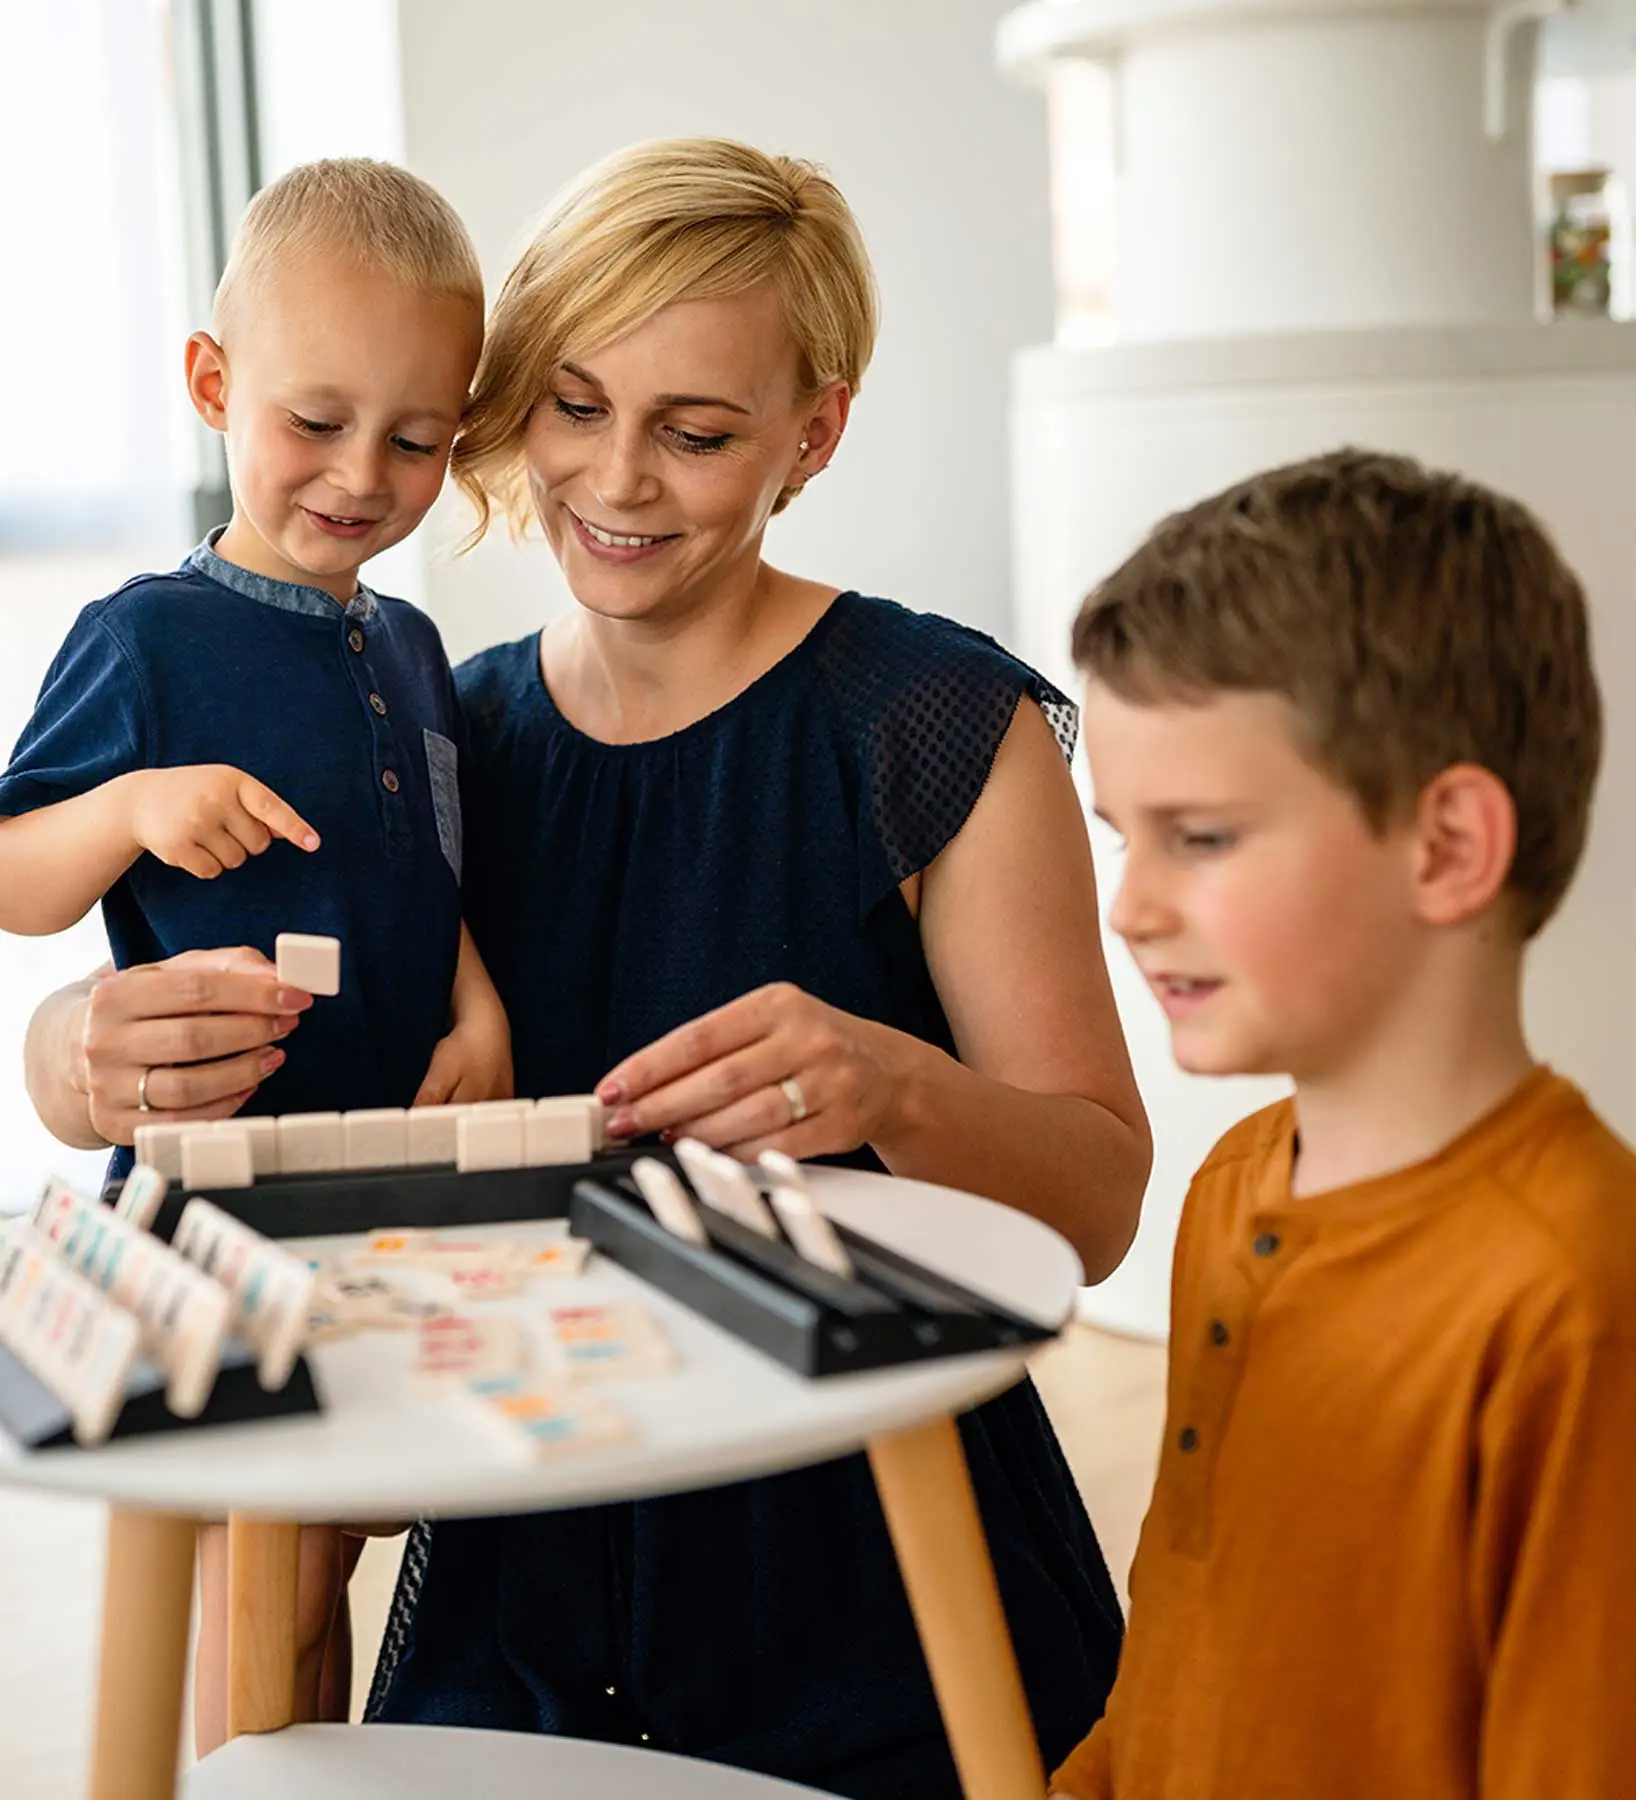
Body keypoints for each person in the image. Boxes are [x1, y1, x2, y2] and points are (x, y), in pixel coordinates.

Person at [26, 138, 1150, 1798]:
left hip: (878, 1599)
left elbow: (1102, 1198)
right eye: (570, 408)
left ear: (813, 434)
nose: (618, 481)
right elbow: (199, 1014)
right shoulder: (444, 726)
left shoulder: (933, 727)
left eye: (696, 434)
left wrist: (892, 1083)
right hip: (518, 1607)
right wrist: (71, 1057)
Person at [0, 159, 512, 1749]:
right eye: (316, 421)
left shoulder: (416, 648)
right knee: (261, 1583)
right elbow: (15, 877)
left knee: (339, 1554)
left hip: (389, 1190)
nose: (364, 472)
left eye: (417, 438)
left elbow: (440, 869)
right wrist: (133, 806)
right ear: (216, 387)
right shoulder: (144, 639)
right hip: (211, 1204)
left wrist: (478, 1001)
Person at [1051, 448, 1636, 1800]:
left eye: (1198, 837)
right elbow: (1185, 1669)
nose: (1130, 906)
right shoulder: (1236, 1187)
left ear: (1445, 849)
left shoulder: (1578, 1303)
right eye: (1119, 837)